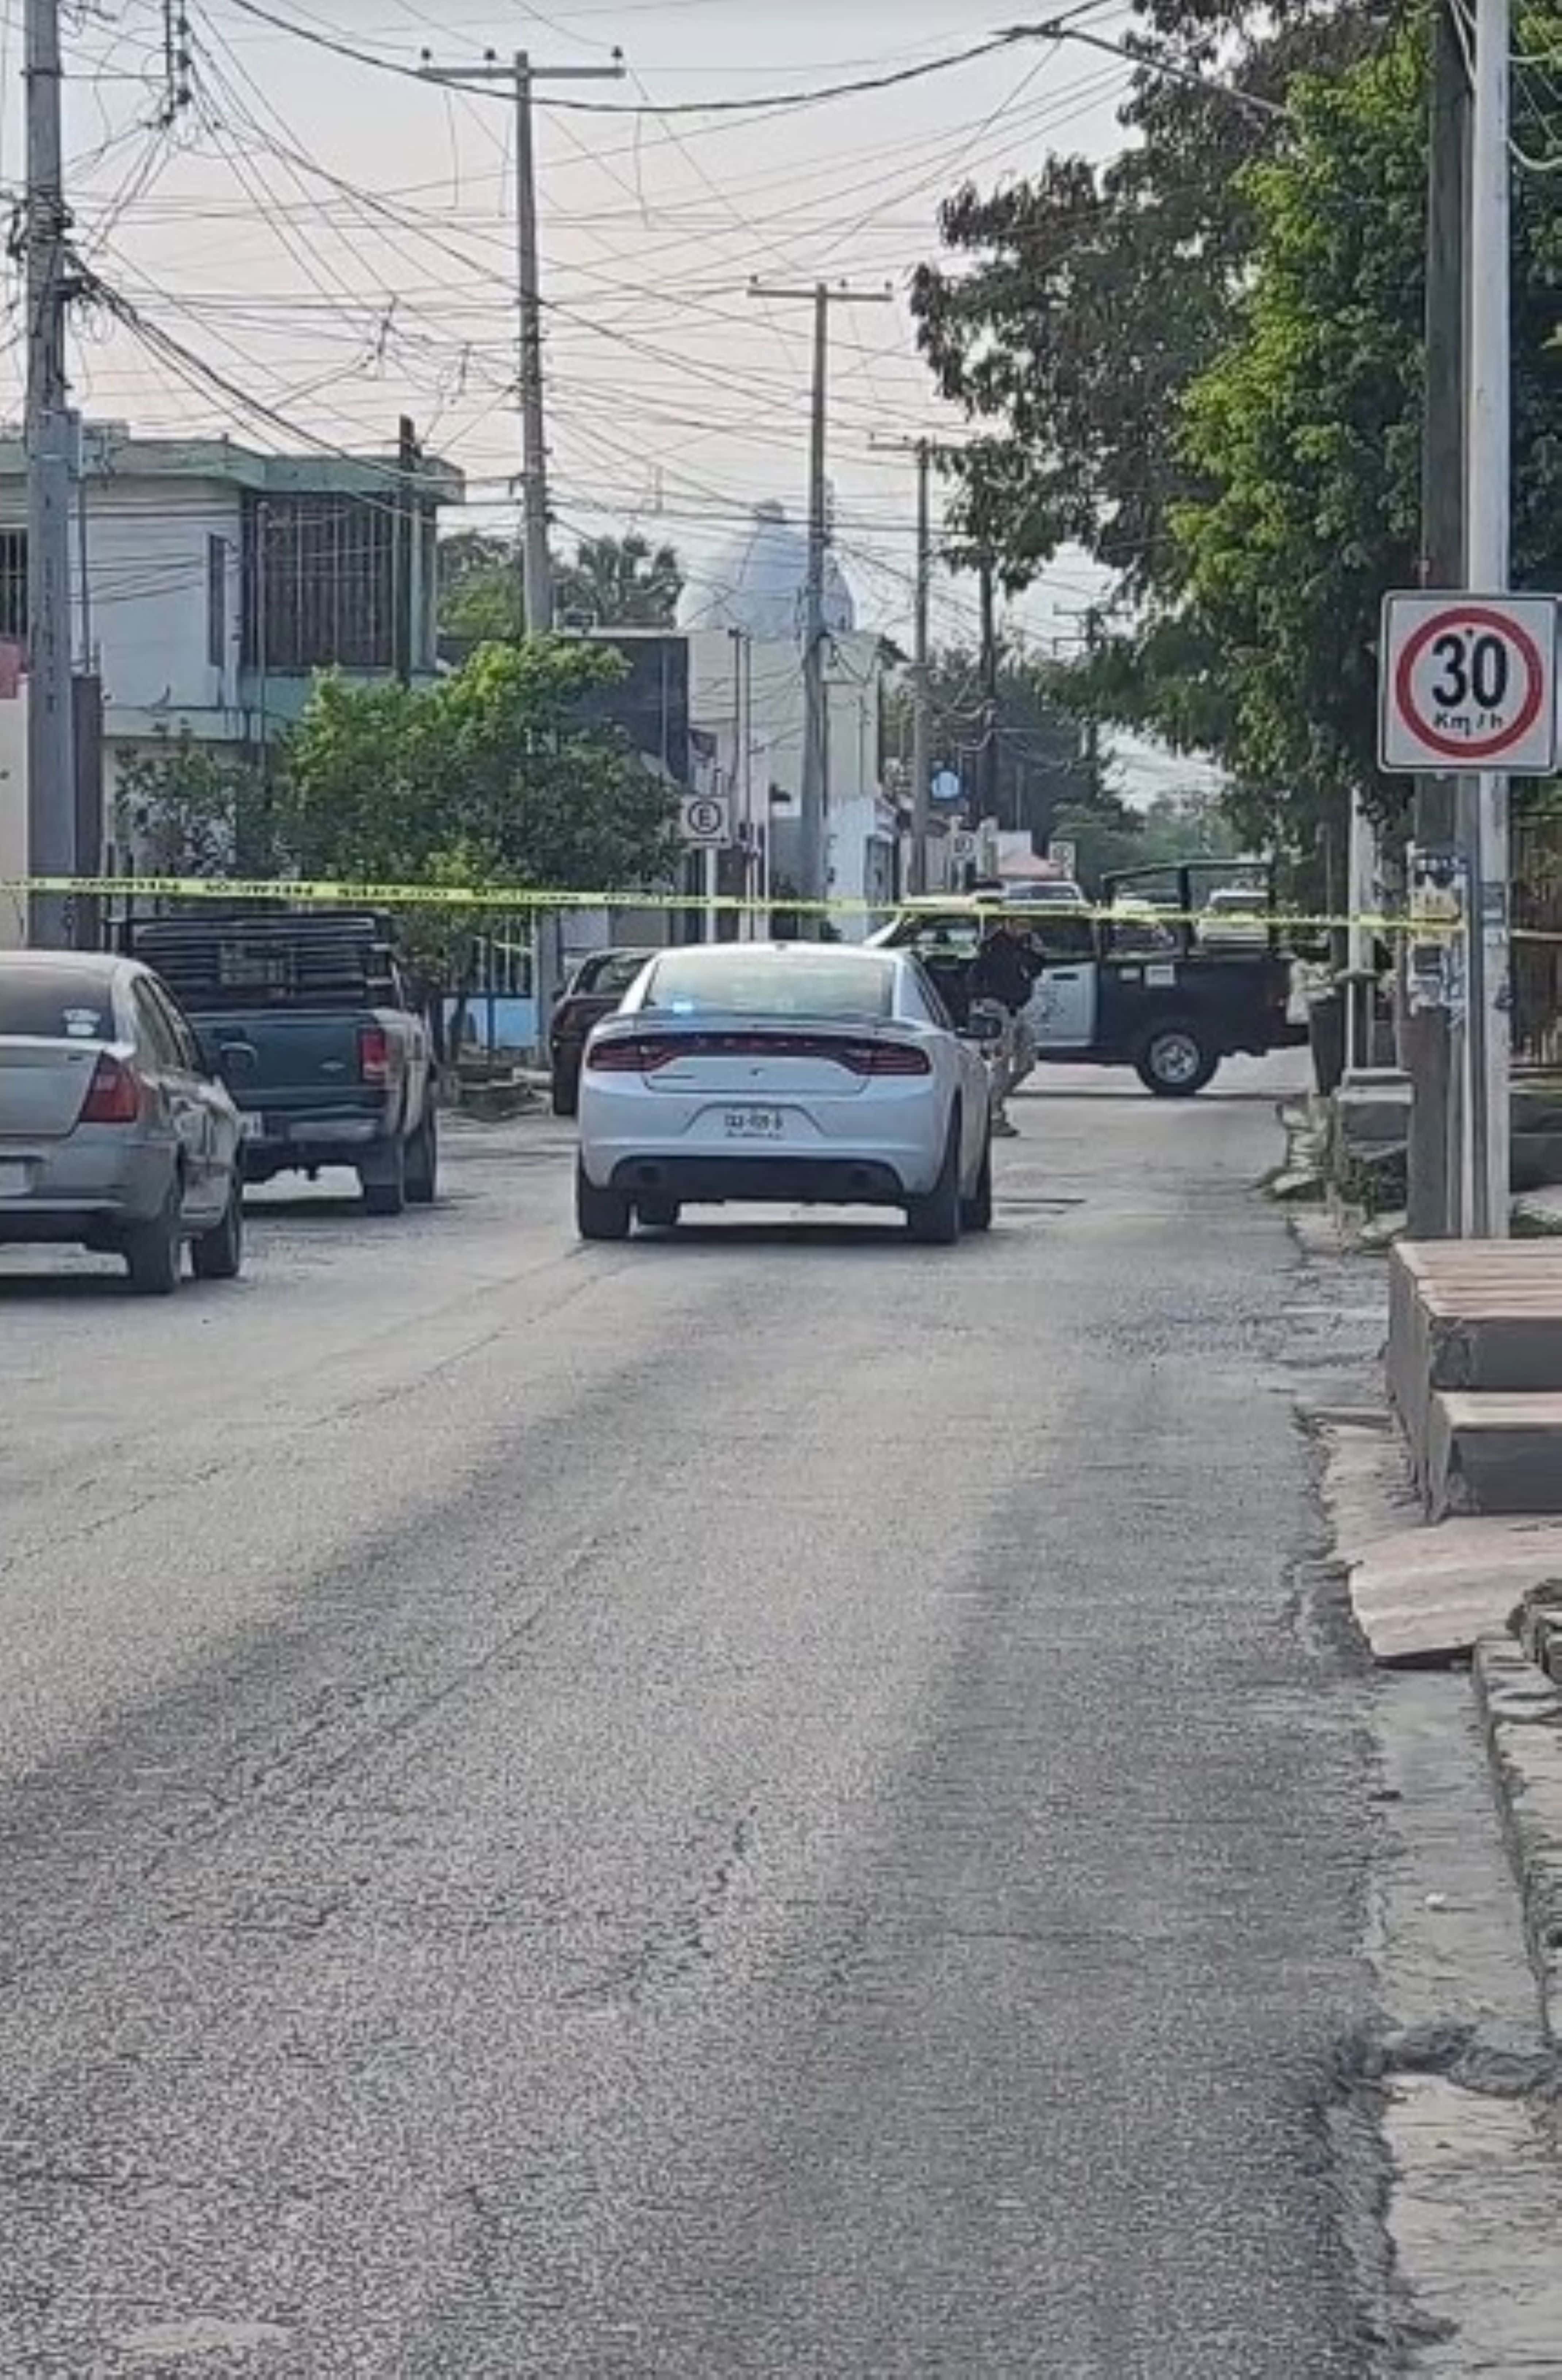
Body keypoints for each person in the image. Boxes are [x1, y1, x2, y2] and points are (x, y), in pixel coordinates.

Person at [969, 911, 1043, 1136]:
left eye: (1028, 925)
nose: (1025, 929)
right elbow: (975, 978)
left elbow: (1035, 970)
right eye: (1020, 925)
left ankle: (992, 1103)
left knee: (1027, 1063)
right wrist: (984, 1005)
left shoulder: (1024, 947)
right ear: (1007, 924)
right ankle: (993, 1116)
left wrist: (1036, 952)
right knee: (1001, 1064)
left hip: (1018, 1009)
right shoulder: (992, 947)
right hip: (998, 1007)